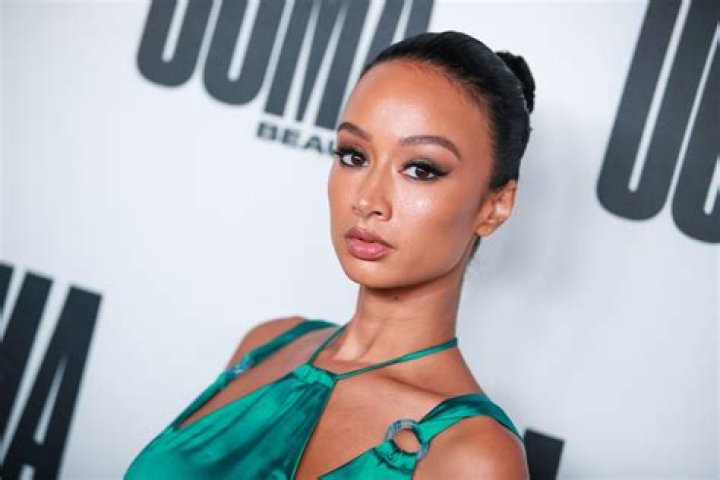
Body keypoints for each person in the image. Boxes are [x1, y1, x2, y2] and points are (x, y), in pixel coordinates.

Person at [125, 30, 535, 479]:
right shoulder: (267, 344)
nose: (368, 200)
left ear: (495, 206)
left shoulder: (475, 455)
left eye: (420, 169)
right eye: (354, 156)